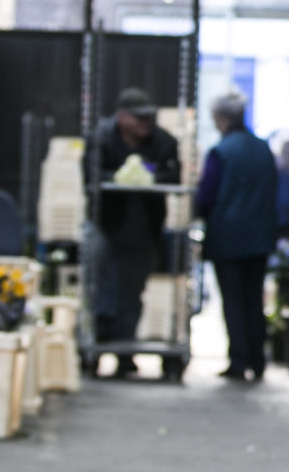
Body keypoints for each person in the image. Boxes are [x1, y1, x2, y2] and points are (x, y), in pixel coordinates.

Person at [89, 87, 183, 378]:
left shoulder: (163, 142)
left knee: (133, 291)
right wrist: (117, 177)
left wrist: (149, 175)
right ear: (122, 117)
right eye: (140, 118)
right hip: (106, 225)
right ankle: (97, 347)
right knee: (102, 286)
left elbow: (173, 173)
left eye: (149, 118)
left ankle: (124, 354)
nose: (146, 124)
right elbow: (89, 175)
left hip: (143, 230)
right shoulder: (101, 139)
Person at [195, 91, 279, 381]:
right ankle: (257, 360)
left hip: (228, 237)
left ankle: (239, 360)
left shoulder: (222, 152)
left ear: (221, 118)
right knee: (254, 299)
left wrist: (198, 210)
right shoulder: (263, 149)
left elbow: (206, 196)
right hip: (260, 237)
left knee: (232, 300)